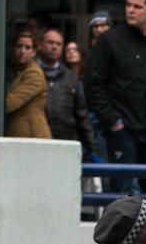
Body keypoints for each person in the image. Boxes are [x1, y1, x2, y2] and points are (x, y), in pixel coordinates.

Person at [85, 0, 146, 194]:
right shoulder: (109, 40)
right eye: (128, 5)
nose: (130, 10)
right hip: (123, 128)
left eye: (137, 6)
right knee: (127, 191)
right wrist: (112, 121)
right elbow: (93, 85)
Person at [36, 28, 99, 157]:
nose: (54, 47)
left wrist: (92, 149)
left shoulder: (70, 78)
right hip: (36, 142)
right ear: (40, 45)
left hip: (65, 143)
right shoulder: (31, 73)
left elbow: (81, 115)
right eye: (50, 42)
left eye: (58, 44)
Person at [5, 31, 52, 138]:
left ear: (34, 51)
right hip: (21, 134)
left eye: (27, 47)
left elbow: (10, 103)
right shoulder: (17, 70)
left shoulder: (33, 73)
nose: (22, 51)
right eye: (19, 46)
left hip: (32, 135)